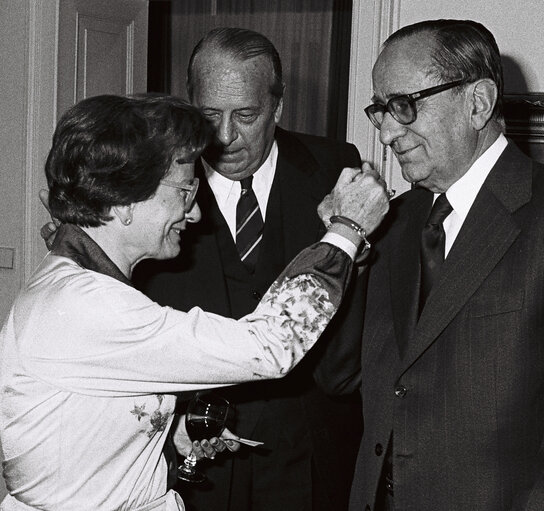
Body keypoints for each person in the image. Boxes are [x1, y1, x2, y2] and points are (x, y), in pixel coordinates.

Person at [0, 93, 390, 511]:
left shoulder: (74, 284)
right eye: (185, 192)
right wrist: (347, 230)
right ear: (127, 200)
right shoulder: (88, 305)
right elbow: (270, 346)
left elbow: (77, 435)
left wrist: (173, 434)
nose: (196, 214)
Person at [133, 28, 367, 511]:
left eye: (245, 115)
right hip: (194, 457)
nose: (224, 137)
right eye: (208, 116)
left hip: (310, 455)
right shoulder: (147, 182)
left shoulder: (334, 168)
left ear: (277, 107)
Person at [316, 18, 544, 511]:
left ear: (477, 103)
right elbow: (337, 376)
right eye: (380, 110)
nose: (387, 132)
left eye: (403, 105)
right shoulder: (389, 223)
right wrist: (342, 248)